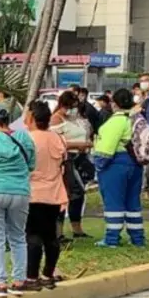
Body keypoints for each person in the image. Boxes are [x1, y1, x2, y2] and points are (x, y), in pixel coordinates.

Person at [0, 103, 36, 298]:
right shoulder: (22, 137)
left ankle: (0, 283)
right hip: (19, 191)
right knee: (18, 237)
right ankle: (19, 281)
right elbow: (32, 164)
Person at [92, 88, 146, 247]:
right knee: (132, 203)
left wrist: (99, 166)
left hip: (116, 164)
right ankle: (138, 238)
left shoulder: (116, 121)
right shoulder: (136, 118)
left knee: (113, 202)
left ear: (114, 103)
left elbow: (106, 149)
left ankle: (111, 239)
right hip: (135, 163)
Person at [24, 101, 68, 289]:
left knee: (33, 235)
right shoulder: (58, 138)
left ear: (32, 118)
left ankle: (32, 277)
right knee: (51, 236)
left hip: (32, 193)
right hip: (55, 193)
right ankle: (47, 274)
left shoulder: (27, 139)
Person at [51, 92, 92, 241]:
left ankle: (76, 227)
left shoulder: (76, 119)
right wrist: (79, 144)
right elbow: (56, 142)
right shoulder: (56, 119)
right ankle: (58, 231)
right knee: (69, 193)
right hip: (67, 158)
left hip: (80, 158)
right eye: (71, 106)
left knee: (78, 195)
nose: (73, 110)